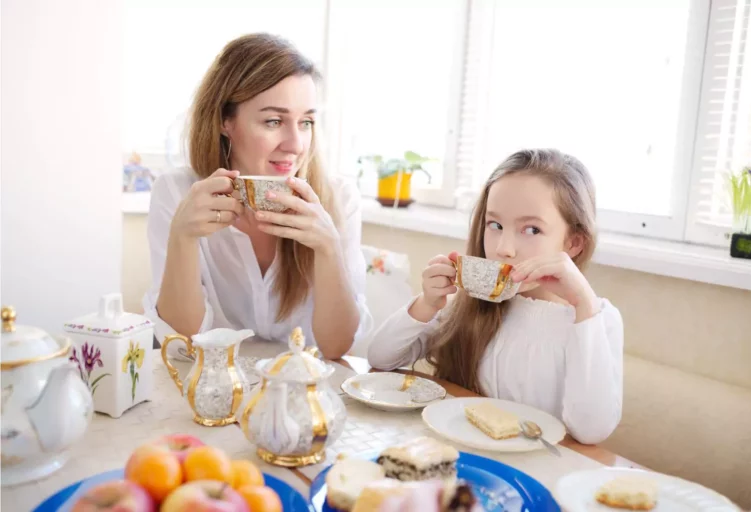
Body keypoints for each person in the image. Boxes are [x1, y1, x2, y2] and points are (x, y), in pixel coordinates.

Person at [368, 148, 623, 444]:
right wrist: (427, 304)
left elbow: (591, 431)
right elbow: (381, 358)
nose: (504, 248)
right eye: (496, 225)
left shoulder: (596, 320)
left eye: (531, 229)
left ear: (574, 242)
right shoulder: (466, 303)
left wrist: (584, 305)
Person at [143, 33, 371, 359]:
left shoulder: (339, 198)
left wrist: (328, 248)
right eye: (274, 121)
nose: (295, 144)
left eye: (306, 122)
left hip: (300, 395)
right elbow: (184, 340)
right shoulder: (178, 192)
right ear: (225, 121)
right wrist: (183, 237)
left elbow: (336, 347)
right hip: (214, 387)